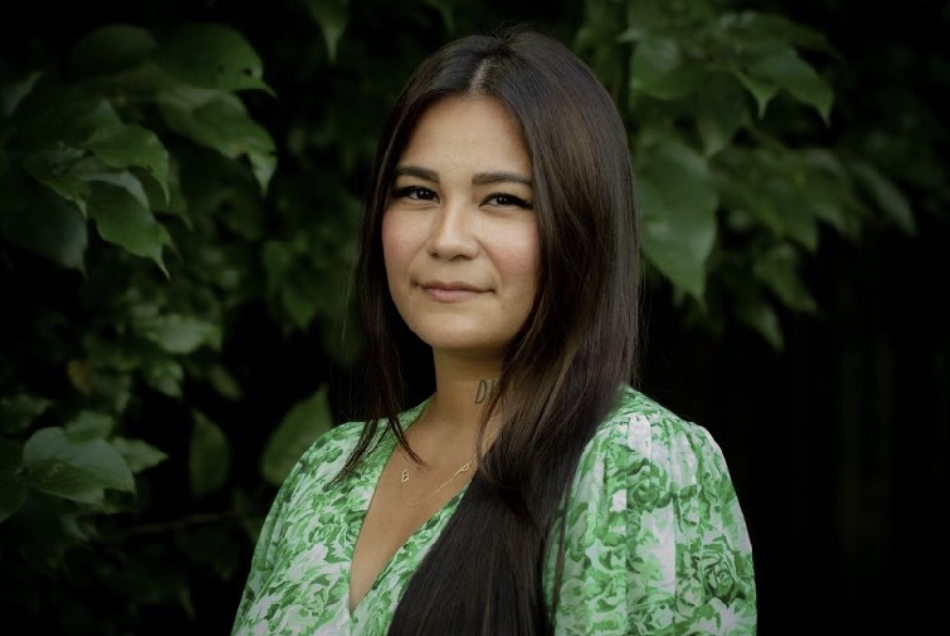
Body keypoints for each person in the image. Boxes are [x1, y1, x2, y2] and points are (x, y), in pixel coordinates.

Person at [230, 24, 756, 636]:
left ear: (581, 226)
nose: (447, 239)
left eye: (503, 200)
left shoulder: (629, 463)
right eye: (418, 192)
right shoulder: (327, 471)